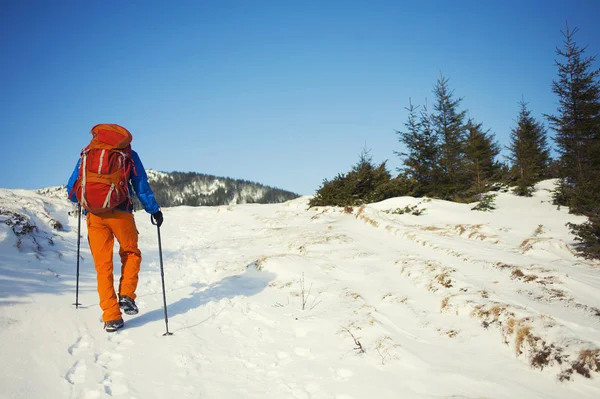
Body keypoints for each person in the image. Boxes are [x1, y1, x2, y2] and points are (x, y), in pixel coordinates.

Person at [67, 124, 163, 332]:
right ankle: (127, 295)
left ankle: (111, 317)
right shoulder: (128, 154)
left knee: (103, 267)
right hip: (121, 212)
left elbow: (72, 188)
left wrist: (83, 201)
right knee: (130, 253)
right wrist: (153, 210)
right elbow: (140, 183)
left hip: (94, 216)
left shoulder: (87, 153)